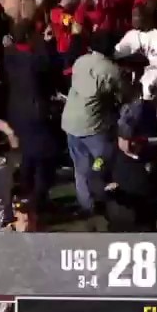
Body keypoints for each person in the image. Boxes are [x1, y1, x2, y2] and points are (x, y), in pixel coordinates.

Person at [61, 32, 121, 215]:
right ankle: (107, 197)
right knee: (106, 160)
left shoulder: (81, 61)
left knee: (80, 167)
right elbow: (121, 95)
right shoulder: (111, 69)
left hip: (71, 121)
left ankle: (87, 204)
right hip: (93, 126)